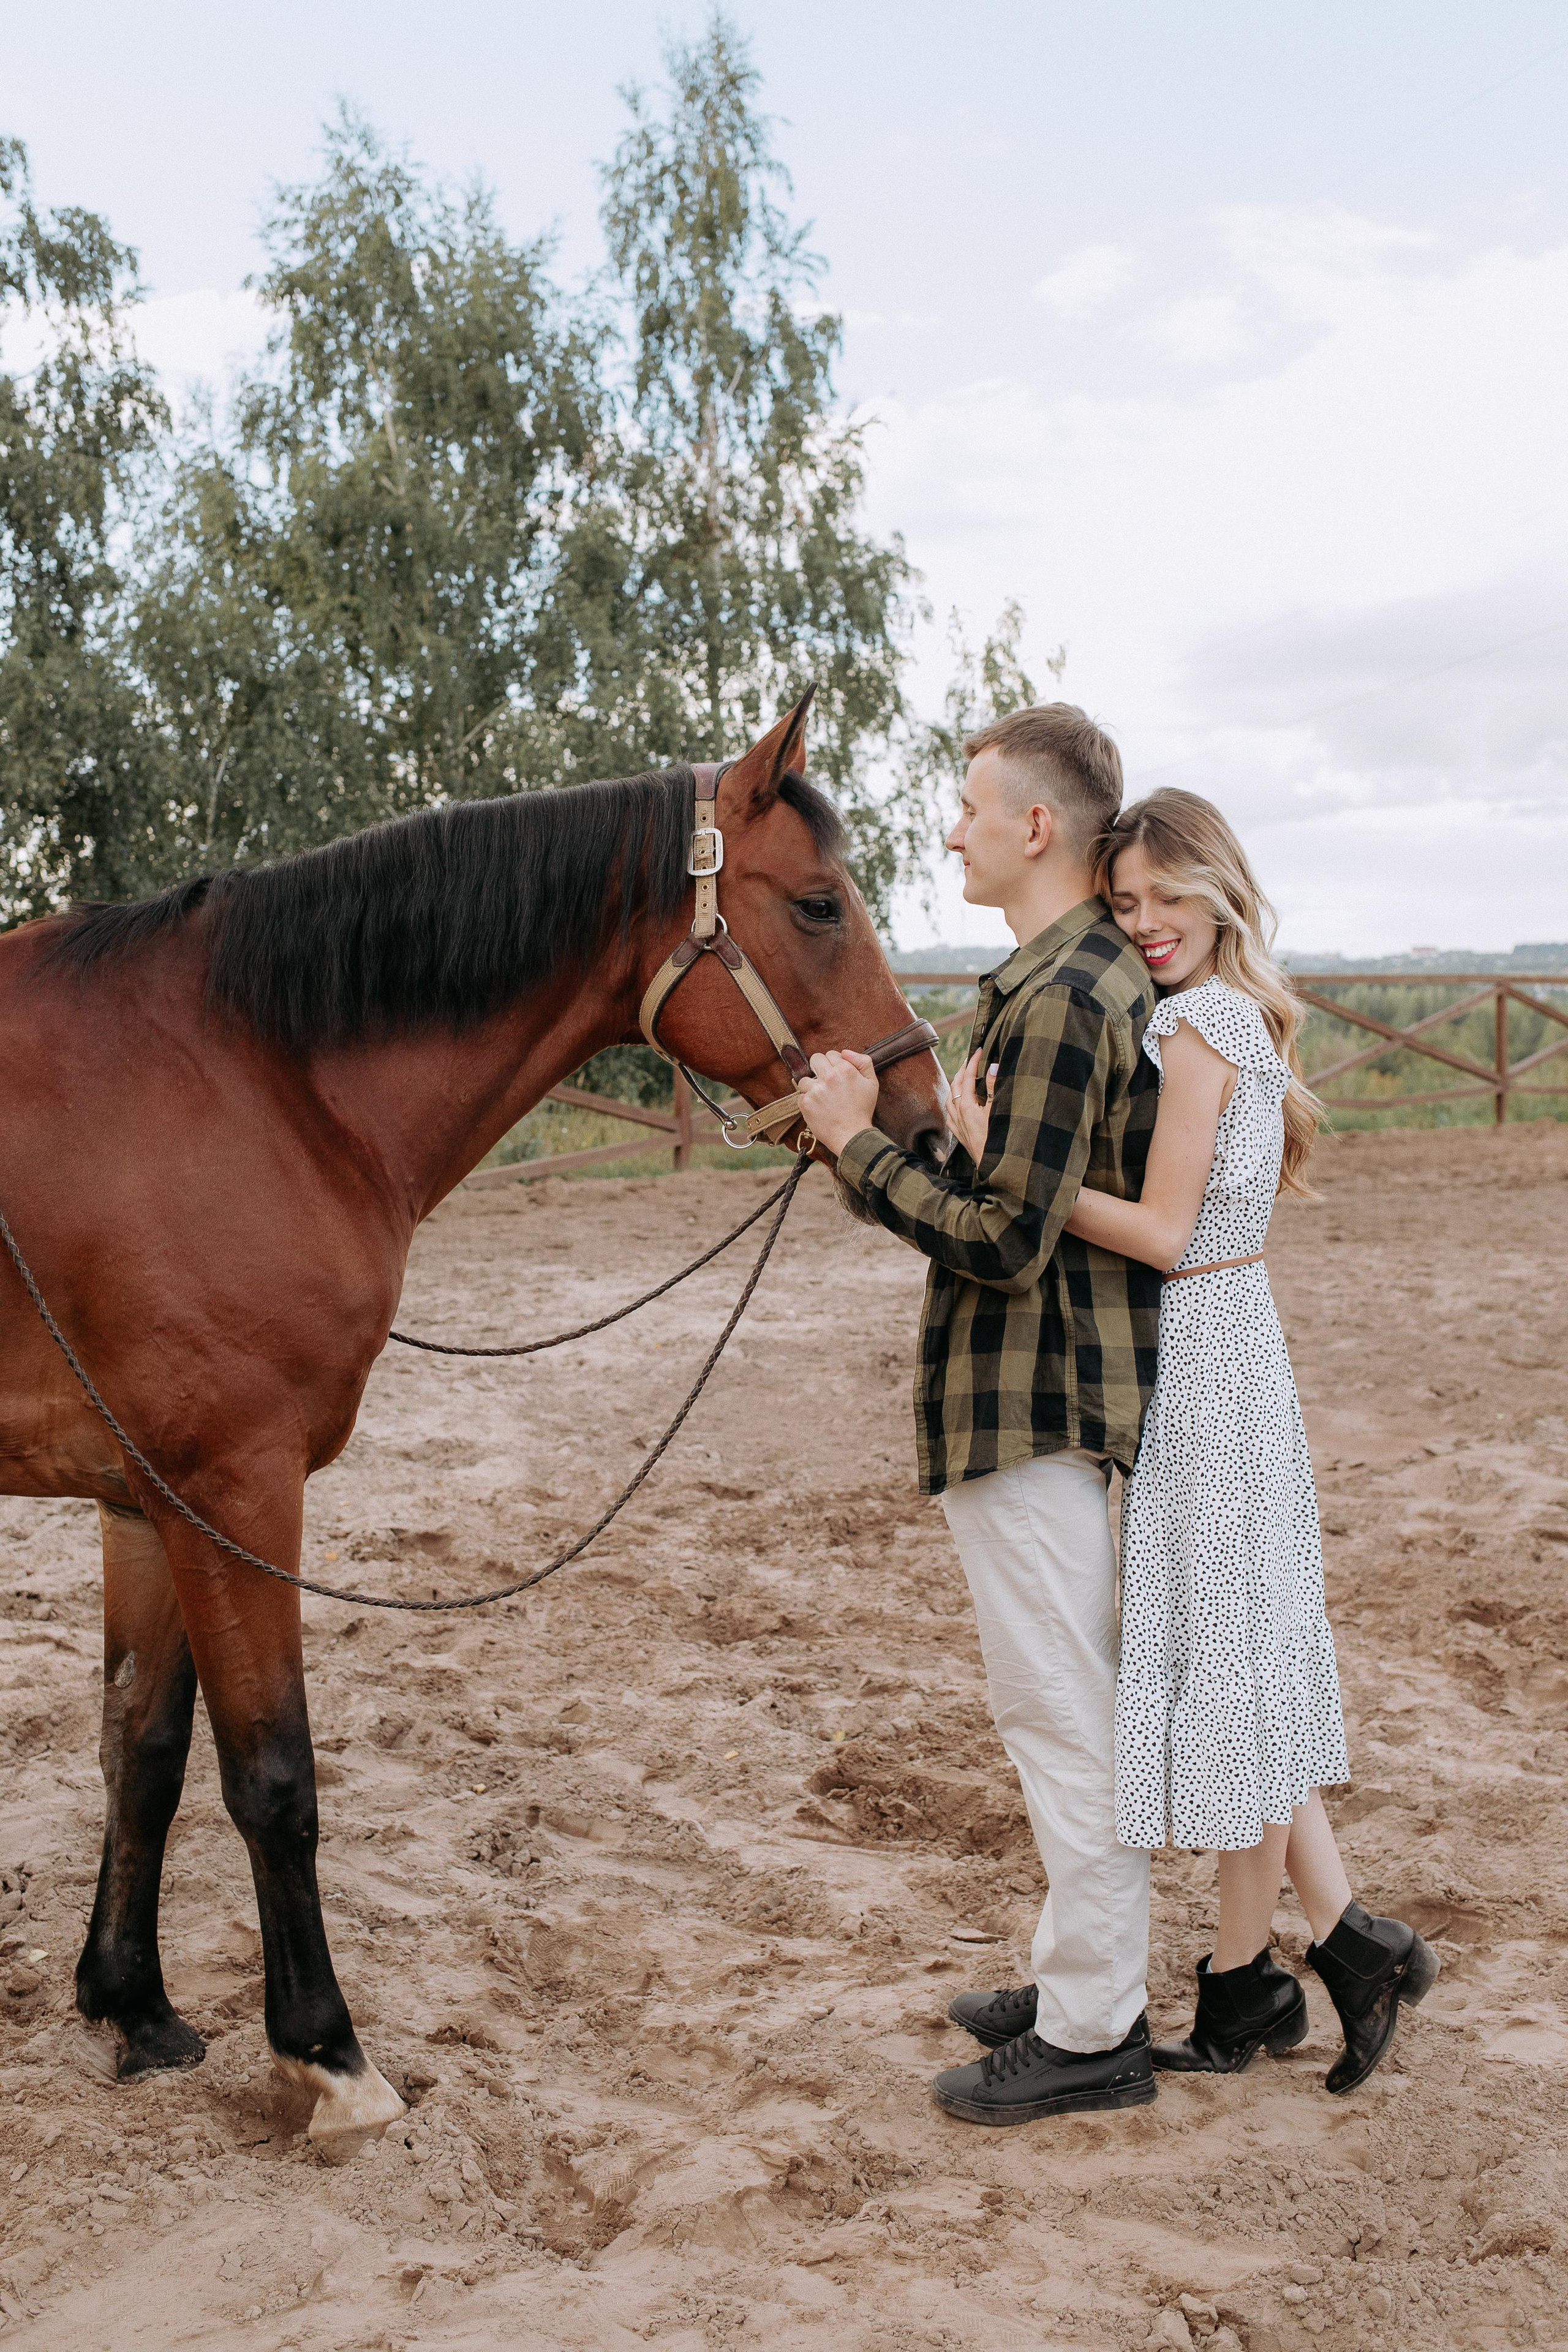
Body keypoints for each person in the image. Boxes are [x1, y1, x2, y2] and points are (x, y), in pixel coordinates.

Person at [949, 785, 1438, 2095]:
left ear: (1219, 895)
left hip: (1210, 1358)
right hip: (1227, 1348)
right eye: (1124, 904)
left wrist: (1008, 1162)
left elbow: (1165, 1234)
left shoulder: (1202, 1024)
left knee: (1225, 1672)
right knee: (1239, 1667)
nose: (1147, 923)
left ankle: (1329, 1946)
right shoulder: (1221, 1016)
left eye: (1171, 899)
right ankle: (1258, 1978)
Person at [798, 703, 1164, 2128]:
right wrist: (942, 1137)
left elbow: (1008, 1245)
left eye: (967, 805)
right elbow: (1030, 1203)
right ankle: (1082, 1975)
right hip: (1022, 1398)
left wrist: (854, 1149)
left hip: (1030, 1401)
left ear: (1033, 827)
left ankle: (1092, 2032)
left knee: (1062, 1711)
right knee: (1054, 1702)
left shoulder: (1069, 994)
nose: (948, 827)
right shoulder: (1053, 982)